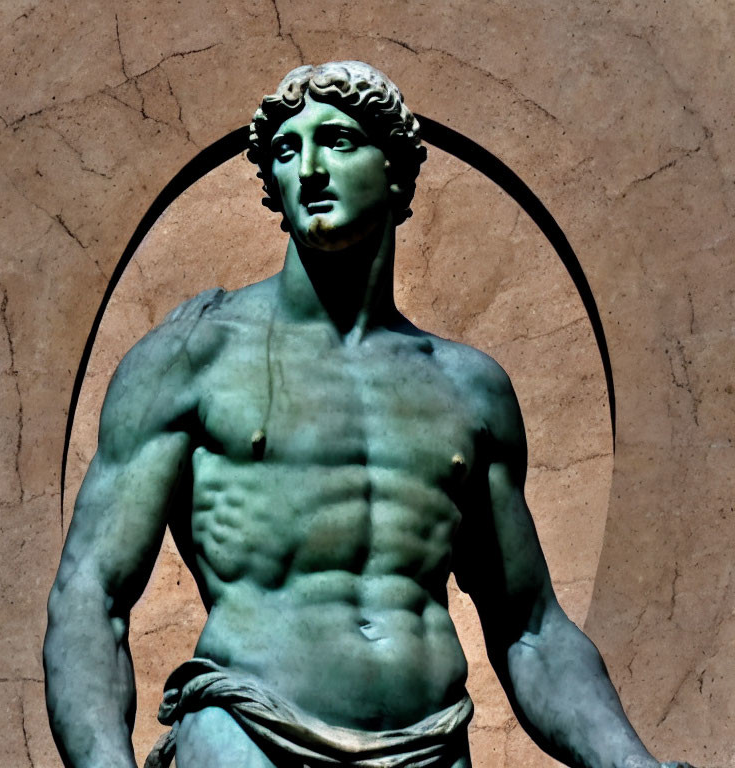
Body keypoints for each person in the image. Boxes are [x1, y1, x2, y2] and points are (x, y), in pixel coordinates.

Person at [44, 61, 692, 768]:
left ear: (395, 173)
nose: (311, 169)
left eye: (340, 141)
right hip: (248, 732)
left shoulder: (466, 389)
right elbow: (91, 593)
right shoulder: (194, 359)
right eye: (287, 152)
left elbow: (530, 629)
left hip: (429, 745)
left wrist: (633, 765)